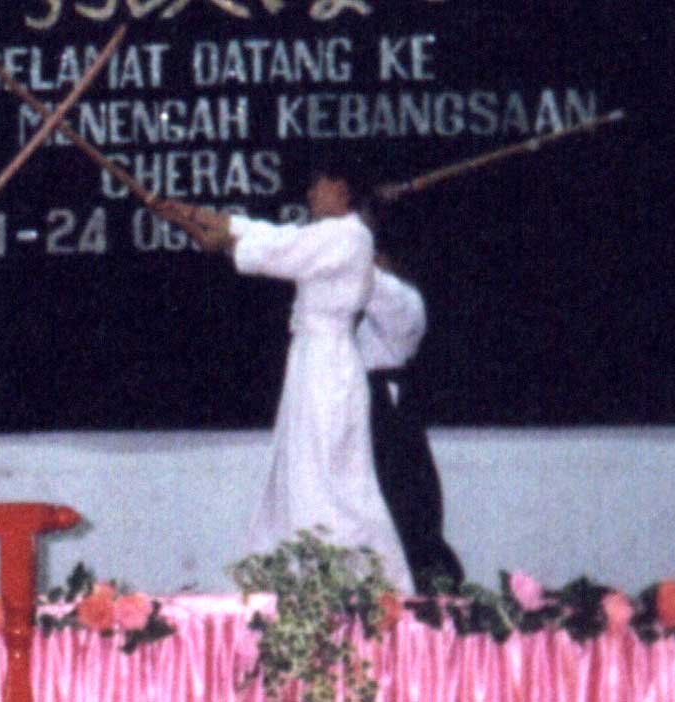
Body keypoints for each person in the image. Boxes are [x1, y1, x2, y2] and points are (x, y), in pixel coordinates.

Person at [154, 168, 413, 592]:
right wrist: (190, 215)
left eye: (318, 185)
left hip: (330, 367)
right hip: (312, 364)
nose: (310, 194)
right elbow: (270, 236)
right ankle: (301, 578)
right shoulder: (328, 236)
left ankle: (371, 583)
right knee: (302, 470)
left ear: (342, 188)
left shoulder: (349, 237)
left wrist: (213, 233)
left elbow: (279, 249)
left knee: (333, 478)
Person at [356, 256, 465, 593]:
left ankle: (427, 583)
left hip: (388, 409)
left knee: (404, 502)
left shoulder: (401, 298)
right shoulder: (369, 301)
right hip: (364, 402)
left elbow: (363, 280)